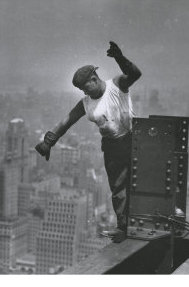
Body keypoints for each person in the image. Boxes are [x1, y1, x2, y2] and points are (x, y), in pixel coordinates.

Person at [35, 41, 142, 242]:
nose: (85, 93)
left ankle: (142, 222)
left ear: (94, 78)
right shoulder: (86, 103)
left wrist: (120, 58)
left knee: (140, 182)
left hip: (133, 139)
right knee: (118, 188)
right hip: (112, 146)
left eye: (86, 88)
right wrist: (49, 140)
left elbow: (135, 74)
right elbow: (67, 120)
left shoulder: (116, 85)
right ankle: (124, 227)